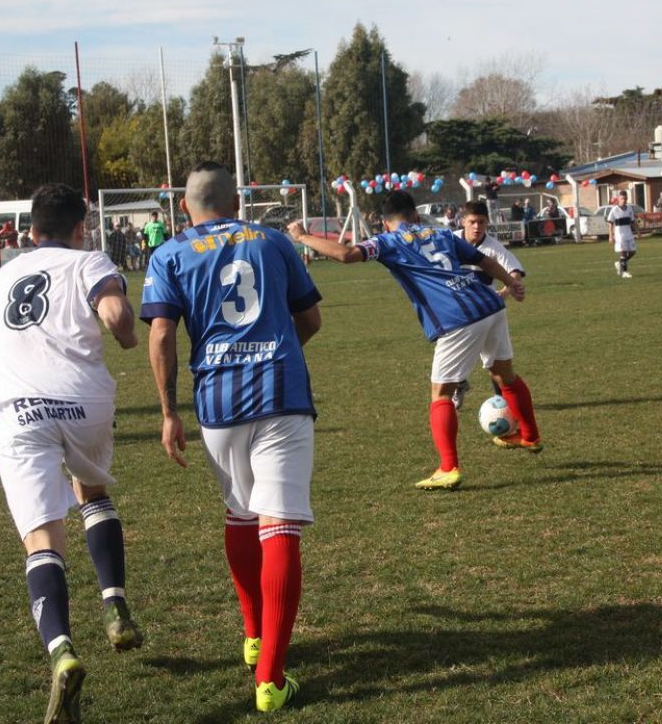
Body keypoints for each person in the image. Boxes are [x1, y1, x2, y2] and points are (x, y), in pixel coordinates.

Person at [0, 183, 143, 724]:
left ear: (29, 232)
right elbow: (117, 315)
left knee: (42, 537)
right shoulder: (88, 261)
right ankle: (114, 605)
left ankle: (62, 652)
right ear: (80, 228)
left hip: (18, 410)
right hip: (84, 402)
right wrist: (126, 335)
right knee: (92, 492)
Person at [142, 162, 321, 713]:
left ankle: (253, 636)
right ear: (238, 201)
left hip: (216, 400)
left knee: (242, 514)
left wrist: (168, 412)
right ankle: (271, 680)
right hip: (280, 392)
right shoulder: (272, 240)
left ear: (184, 207)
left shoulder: (169, 253)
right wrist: (276, 354)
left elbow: (162, 334)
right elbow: (310, 319)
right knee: (280, 522)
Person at [289, 191, 539, 493]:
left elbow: (346, 254)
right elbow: (483, 260)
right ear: (416, 216)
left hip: (458, 317)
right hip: (490, 305)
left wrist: (302, 237)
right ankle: (530, 436)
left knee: (441, 394)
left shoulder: (388, 241)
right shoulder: (441, 233)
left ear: (385, 222)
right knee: (504, 375)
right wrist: (511, 283)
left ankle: (448, 469)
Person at [449, 200, 533, 412]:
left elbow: (514, 271)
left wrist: (507, 291)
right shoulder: (450, 240)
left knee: (496, 361)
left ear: (487, 223)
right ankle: (460, 384)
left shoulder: (493, 247)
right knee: (455, 355)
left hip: (487, 311)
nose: (477, 226)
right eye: (472, 222)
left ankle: (501, 402)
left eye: (482, 222)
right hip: (458, 310)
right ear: (462, 221)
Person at [606, 190, 638, 279]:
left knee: (633, 252)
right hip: (620, 235)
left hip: (629, 234)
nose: (624, 200)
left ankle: (619, 263)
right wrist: (610, 236)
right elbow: (610, 223)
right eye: (622, 198)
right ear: (618, 199)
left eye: (625, 198)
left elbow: (632, 222)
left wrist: (638, 232)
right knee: (623, 253)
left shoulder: (629, 208)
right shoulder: (615, 210)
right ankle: (624, 272)